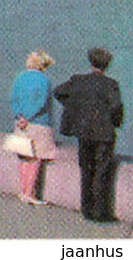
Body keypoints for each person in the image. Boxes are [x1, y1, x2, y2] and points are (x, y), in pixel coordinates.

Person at [54, 47, 123, 223]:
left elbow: (59, 92)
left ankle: (86, 209)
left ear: (91, 63)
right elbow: (116, 107)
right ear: (107, 65)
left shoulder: (78, 81)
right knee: (101, 171)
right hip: (103, 133)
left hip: (83, 132)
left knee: (86, 169)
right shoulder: (110, 84)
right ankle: (100, 212)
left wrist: (75, 107)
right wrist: (114, 121)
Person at [8, 50, 58, 206]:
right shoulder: (44, 80)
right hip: (39, 123)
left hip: (20, 123)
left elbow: (14, 99)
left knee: (24, 158)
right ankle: (30, 193)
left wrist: (21, 117)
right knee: (35, 158)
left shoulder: (20, 78)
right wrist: (29, 117)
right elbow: (41, 102)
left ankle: (23, 191)